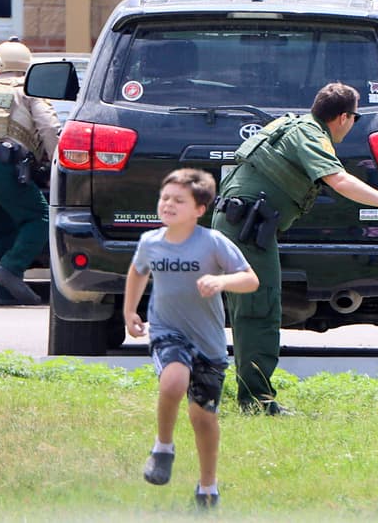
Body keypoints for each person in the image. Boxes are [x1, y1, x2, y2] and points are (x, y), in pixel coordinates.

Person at [211, 83, 378, 414]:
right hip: (246, 229)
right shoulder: (312, 135)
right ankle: (255, 401)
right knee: (259, 310)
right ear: (342, 117)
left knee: (242, 311)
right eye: (353, 118)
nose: (352, 125)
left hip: (235, 222)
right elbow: (338, 180)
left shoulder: (288, 123)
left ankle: (228, 391)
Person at [123, 169, 260, 510]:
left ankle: (208, 487)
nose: (168, 204)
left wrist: (221, 281)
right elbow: (138, 271)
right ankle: (163, 447)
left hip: (209, 344)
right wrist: (130, 312)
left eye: (178, 200)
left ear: (200, 209)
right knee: (172, 381)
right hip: (167, 331)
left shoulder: (213, 242)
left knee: (203, 419)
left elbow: (250, 279)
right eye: (164, 198)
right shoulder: (150, 242)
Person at [0, 39, 60, 306]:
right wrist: (59, 164)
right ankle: (10, 267)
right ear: (27, 68)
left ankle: (5, 294)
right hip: (2, 165)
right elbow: (49, 127)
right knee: (41, 218)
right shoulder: (29, 90)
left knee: (2, 231)